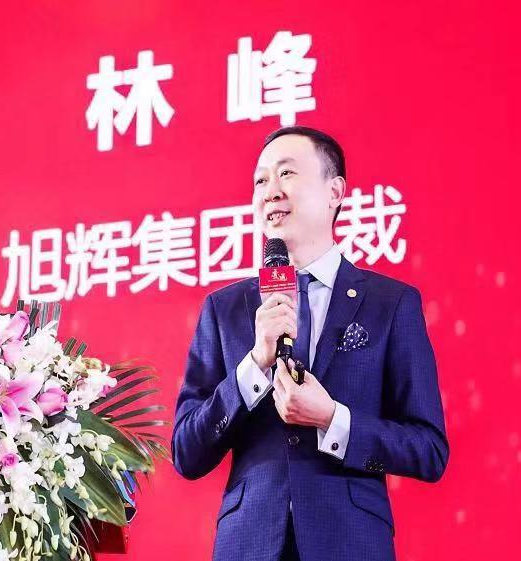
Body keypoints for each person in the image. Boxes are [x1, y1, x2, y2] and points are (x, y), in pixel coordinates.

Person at [172, 126, 449, 561]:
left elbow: (428, 450)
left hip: (351, 544)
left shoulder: (390, 303)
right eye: (260, 180)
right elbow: (187, 452)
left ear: (334, 191)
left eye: (286, 173)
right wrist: (254, 366)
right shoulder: (225, 309)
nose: (270, 191)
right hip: (250, 546)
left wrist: (332, 419)